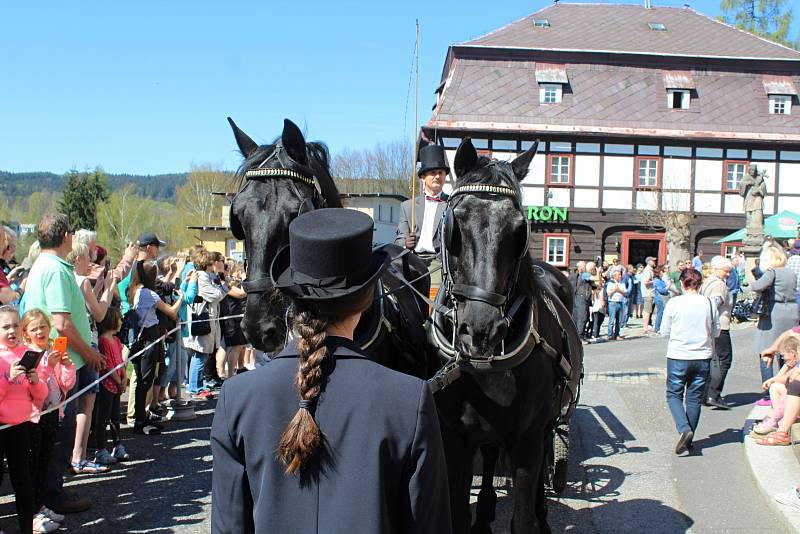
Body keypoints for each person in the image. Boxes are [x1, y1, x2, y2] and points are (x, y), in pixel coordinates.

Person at [211, 208, 451, 533]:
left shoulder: (235, 399)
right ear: (367, 300)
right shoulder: (410, 401)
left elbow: (229, 526)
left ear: (291, 300)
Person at [22, 213, 104, 515]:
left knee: (54, 433)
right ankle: (51, 496)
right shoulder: (56, 268)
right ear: (66, 236)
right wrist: (89, 352)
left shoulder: (41, 265)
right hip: (58, 364)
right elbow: (61, 322)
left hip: (53, 360)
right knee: (59, 433)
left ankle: (48, 493)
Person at [67, 240, 118, 475]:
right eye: (88, 257)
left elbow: (87, 306)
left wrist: (99, 289)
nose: (91, 262)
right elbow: (98, 313)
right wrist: (109, 288)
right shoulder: (81, 281)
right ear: (78, 259)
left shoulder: (68, 280)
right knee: (86, 403)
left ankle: (71, 454)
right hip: (86, 345)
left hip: (69, 347)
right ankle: (79, 454)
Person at [22, 309, 74, 534]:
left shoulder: (52, 350)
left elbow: (65, 385)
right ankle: (33, 510)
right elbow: (35, 388)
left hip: (53, 412)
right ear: (26, 334)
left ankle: (41, 505)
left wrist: (66, 365)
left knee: (46, 462)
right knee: (34, 464)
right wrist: (49, 366)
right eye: (34, 329)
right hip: (36, 417)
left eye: (43, 327)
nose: (40, 332)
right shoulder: (29, 356)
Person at [659, 268, 720, 455]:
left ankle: (684, 429)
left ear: (682, 283)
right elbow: (716, 331)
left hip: (678, 355)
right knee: (694, 398)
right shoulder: (709, 303)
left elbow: (664, 331)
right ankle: (689, 439)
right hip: (702, 356)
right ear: (699, 284)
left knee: (673, 395)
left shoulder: (674, 303)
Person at [0, 305, 49, 534]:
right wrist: (7, 379)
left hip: (21, 426)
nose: (12, 331)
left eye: (15, 326)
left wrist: (35, 381)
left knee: (23, 480)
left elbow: (40, 397)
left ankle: (26, 528)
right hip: (2, 426)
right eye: (5, 326)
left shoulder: (25, 353)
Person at [127, 261, 183, 435]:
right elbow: (171, 312)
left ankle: (142, 417)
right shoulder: (148, 294)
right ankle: (140, 421)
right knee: (145, 381)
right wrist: (180, 298)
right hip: (148, 340)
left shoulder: (135, 290)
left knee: (144, 381)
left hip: (143, 338)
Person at [395, 144, 450, 290]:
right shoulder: (407, 206)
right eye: (433, 173)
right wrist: (405, 243)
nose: (437, 176)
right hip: (413, 261)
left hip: (439, 264)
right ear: (423, 177)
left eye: (441, 172)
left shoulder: (452, 205)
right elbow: (398, 239)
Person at [751, 244, 798, 405]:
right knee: (786, 350)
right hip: (791, 311)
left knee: (765, 351)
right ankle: (787, 387)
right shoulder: (790, 272)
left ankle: (768, 394)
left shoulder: (772, 272)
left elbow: (757, 286)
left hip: (774, 312)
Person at [184, 250, 227, 400]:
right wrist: (225, 287)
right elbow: (215, 295)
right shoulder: (202, 277)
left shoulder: (207, 276)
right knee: (200, 354)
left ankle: (197, 384)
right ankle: (195, 387)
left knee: (202, 353)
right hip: (204, 319)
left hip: (209, 319)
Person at [94, 307, 128, 464]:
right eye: (119, 318)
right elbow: (108, 365)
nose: (121, 321)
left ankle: (118, 445)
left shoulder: (116, 340)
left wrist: (124, 377)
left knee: (115, 417)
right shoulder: (103, 340)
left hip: (117, 384)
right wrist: (117, 379)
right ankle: (100, 448)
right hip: (108, 384)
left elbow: (120, 361)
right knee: (103, 417)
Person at [701, 256, 734, 409]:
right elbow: (714, 304)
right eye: (726, 271)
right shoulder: (719, 285)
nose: (728, 274)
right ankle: (712, 393)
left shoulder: (707, 282)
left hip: (710, 326)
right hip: (720, 326)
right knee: (724, 360)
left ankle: (706, 393)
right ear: (718, 269)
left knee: (713, 360)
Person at [605, 268, 627, 340]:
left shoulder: (622, 283)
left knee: (619, 320)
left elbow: (625, 293)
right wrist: (614, 289)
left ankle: (617, 334)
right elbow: (608, 293)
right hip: (612, 302)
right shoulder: (610, 283)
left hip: (620, 302)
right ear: (614, 276)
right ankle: (610, 335)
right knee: (611, 320)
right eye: (618, 275)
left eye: (620, 275)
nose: (620, 276)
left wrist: (619, 290)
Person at [641, 256, 656, 333]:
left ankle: (646, 326)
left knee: (648, 310)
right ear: (649, 261)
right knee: (647, 311)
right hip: (648, 293)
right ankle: (645, 327)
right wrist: (654, 281)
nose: (654, 262)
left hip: (649, 292)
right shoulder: (647, 270)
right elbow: (646, 282)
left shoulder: (650, 270)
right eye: (653, 261)